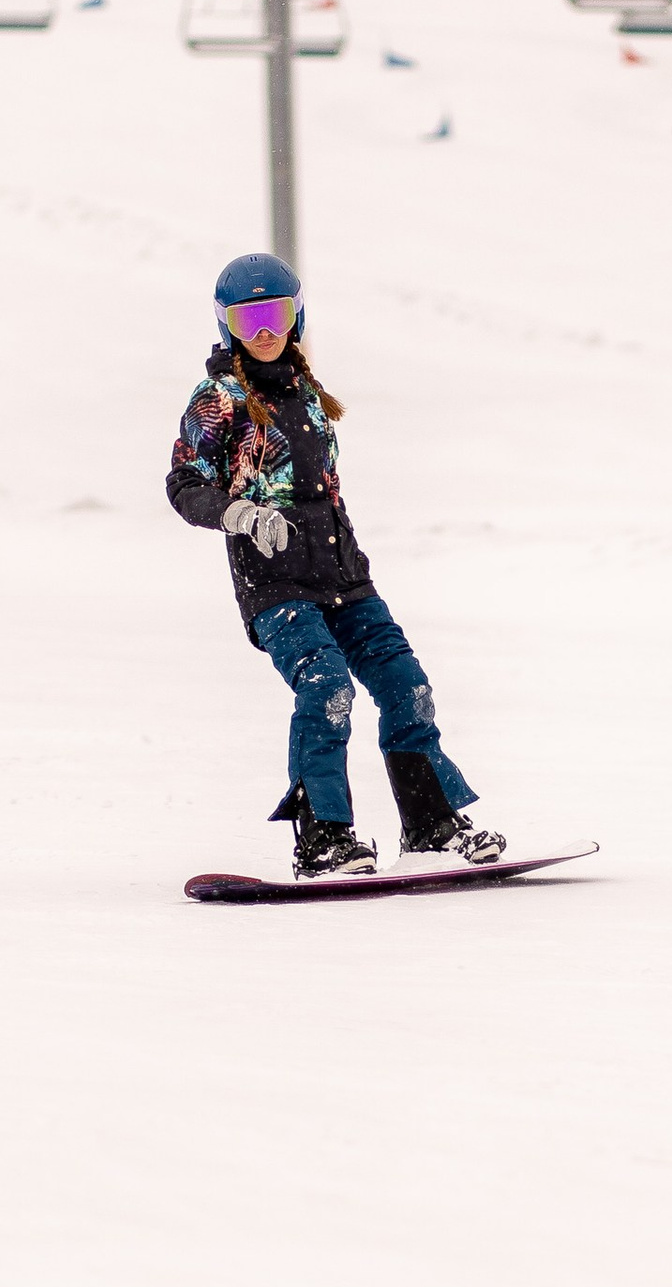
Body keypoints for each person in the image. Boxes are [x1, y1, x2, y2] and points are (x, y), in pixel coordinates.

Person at [167, 255, 504, 879]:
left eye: (277, 313)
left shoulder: (307, 393)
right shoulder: (219, 400)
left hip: (346, 577)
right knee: (327, 688)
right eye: (249, 318)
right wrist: (237, 513)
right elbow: (184, 483)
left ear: (297, 316)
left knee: (407, 685)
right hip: (274, 584)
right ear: (226, 325)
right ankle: (324, 837)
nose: (265, 330)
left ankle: (430, 824)